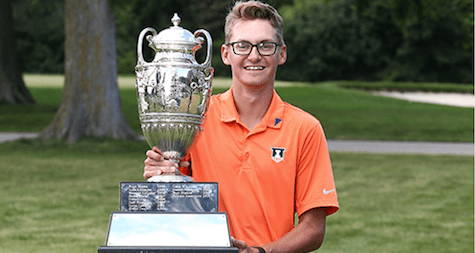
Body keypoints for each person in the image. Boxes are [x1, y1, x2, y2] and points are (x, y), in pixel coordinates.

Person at [143, 1, 339, 252]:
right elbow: (173, 200)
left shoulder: (305, 128)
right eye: (242, 46)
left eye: (266, 45)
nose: (254, 55)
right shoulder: (195, 117)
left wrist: (259, 252)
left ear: (282, 54)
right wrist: (163, 171)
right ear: (226, 53)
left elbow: (313, 228)